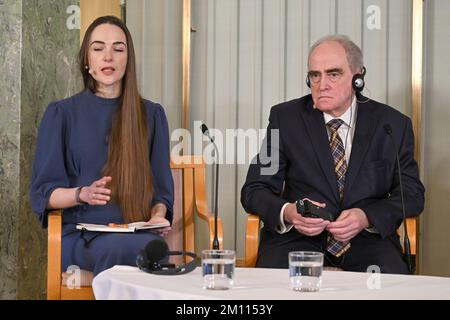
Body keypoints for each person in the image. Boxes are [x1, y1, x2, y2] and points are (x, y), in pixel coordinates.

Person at [240, 34, 425, 274]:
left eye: (333, 74)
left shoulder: (392, 125)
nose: (321, 84)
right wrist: (289, 212)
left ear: (357, 78)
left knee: (392, 285)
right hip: (297, 242)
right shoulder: (285, 119)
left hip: (367, 242)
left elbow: (412, 194)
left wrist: (366, 217)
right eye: (315, 75)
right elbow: (255, 190)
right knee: (270, 283)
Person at [29, 16, 174, 276]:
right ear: (87, 59)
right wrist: (80, 194)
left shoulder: (151, 115)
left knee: (154, 248)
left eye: (118, 49)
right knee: (117, 250)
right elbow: (43, 194)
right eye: (98, 48)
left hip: (135, 231)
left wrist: (157, 215)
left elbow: (162, 193)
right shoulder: (61, 114)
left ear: (128, 60)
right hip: (81, 235)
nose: (108, 57)